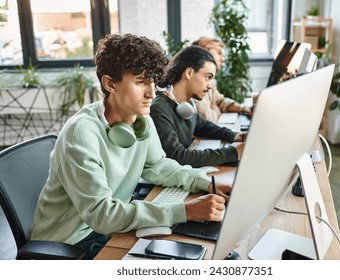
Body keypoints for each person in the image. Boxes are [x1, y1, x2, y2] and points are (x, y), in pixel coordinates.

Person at [30, 34, 231, 260]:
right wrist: (184, 211)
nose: (151, 93)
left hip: (109, 229)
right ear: (110, 83)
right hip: (72, 242)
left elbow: (159, 165)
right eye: (140, 82)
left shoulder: (140, 120)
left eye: (153, 81)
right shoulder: (82, 133)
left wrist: (206, 182)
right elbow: (102, 215)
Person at [150, 45, 246, 168]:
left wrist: (233, 135)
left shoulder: (187, 104)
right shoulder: (158, 109)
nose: (210, 85)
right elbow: (177, 156)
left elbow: (202, 126)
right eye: (208, 77)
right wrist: (232, 153)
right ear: (189, 72)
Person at [191, 37, 252, 122]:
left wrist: (243, 108)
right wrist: (215, 107)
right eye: (219, 53)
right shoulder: (193, 84)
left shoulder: (210, 81)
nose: (223, 59)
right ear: (205, 53)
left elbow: (221, 101)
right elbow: (208, 119)